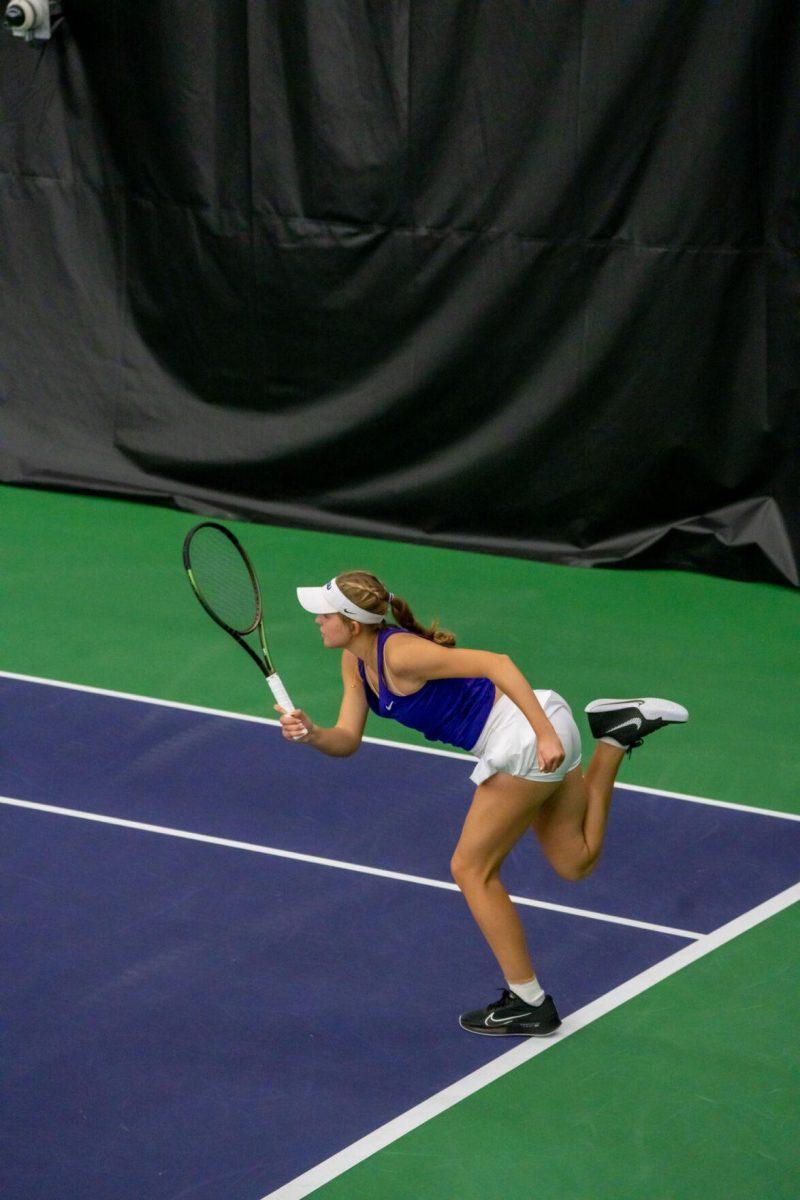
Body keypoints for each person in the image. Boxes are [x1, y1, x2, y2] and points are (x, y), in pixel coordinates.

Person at [276, 571, 688, 1037]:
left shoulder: (401, 653)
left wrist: (544, 734)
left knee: (471, 869)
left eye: (325, 614)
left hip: (526, 736)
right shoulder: (356, 663)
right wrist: (312, 735)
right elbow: (347, 739)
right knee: (576, 861)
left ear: (352, 623)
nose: (317, 620)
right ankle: (614, 734)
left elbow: (498, 663)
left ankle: (529, 1002)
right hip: (539, 728)